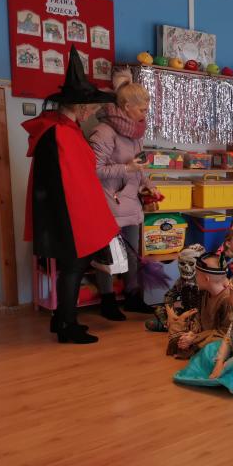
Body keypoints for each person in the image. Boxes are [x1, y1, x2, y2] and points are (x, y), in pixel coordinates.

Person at [25, 45, 119, 344]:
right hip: (67, 216)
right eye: (88, 107)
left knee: (71, 268)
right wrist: (82, 222)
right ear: (77, 106)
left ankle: (60, 319)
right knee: (73, 268)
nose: (91, 111)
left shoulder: (64, 129)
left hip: (66, 214)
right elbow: (67, 185)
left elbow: (78, 179)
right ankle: (67, 326)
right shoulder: (60, 133)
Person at [89, 67, 155, 320]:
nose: (145, 115)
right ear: (127, 107)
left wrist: (147, 183)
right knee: (108, 256)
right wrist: (126, 168)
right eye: (142, 110)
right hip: (108, 203)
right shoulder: (103, 132)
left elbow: (138, 165)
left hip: (130, 203)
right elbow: (93, 170)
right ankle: (107, 302)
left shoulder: (136, 134)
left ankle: (133, 297)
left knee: (132, 255)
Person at [172, 253, 233, 359]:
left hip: (218, 337)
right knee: (177, 335)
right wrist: (192, 333)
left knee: (214, 347)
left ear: (206, 279)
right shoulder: (204, 291)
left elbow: (226, 332)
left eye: (196, 275)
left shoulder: (228, 299)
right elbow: (198, 317)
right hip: (204, 334)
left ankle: (195, 347)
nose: (194, 277)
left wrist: (195, 338)